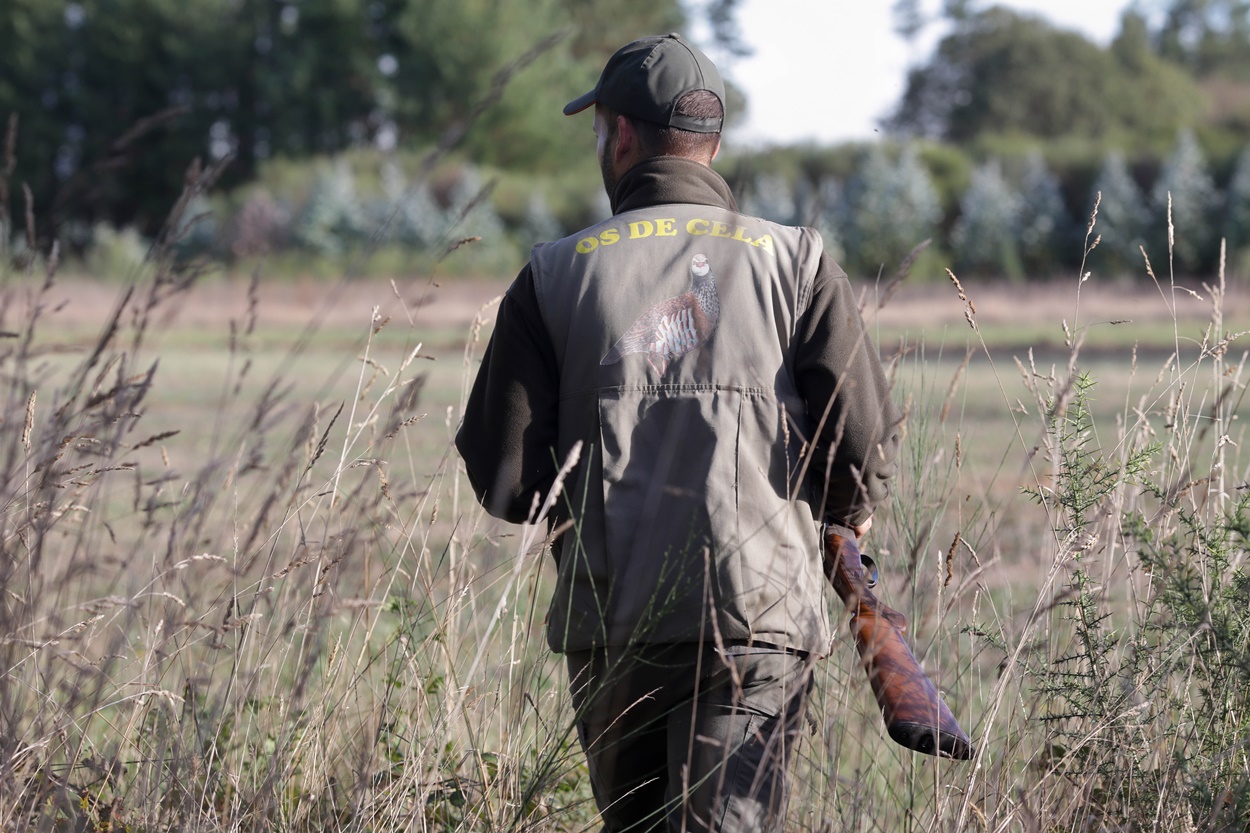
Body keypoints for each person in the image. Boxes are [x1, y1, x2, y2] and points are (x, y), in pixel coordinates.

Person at [455, 33, 901, 833]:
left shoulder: (555, 272)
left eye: (599, 131)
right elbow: (860, 446)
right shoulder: (798, 262)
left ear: (620, 135)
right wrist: (840, 510)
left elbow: (504, 480)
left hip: (614, 624)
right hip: (756, 624)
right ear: (713, 144)